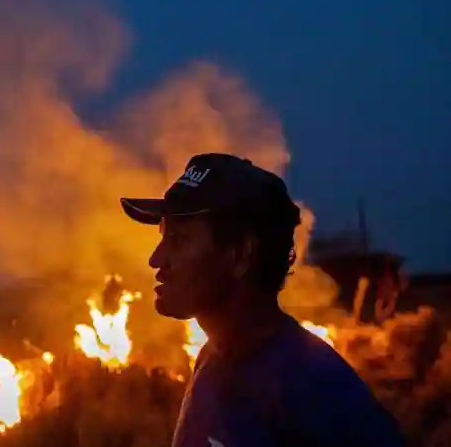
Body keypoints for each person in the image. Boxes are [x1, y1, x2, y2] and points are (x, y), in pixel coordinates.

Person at [120, 153, 405, 447]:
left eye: (178, 240)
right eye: (164, 238)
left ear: (240, 253)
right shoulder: (214, 359)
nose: (156, 259)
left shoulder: (314, 388)